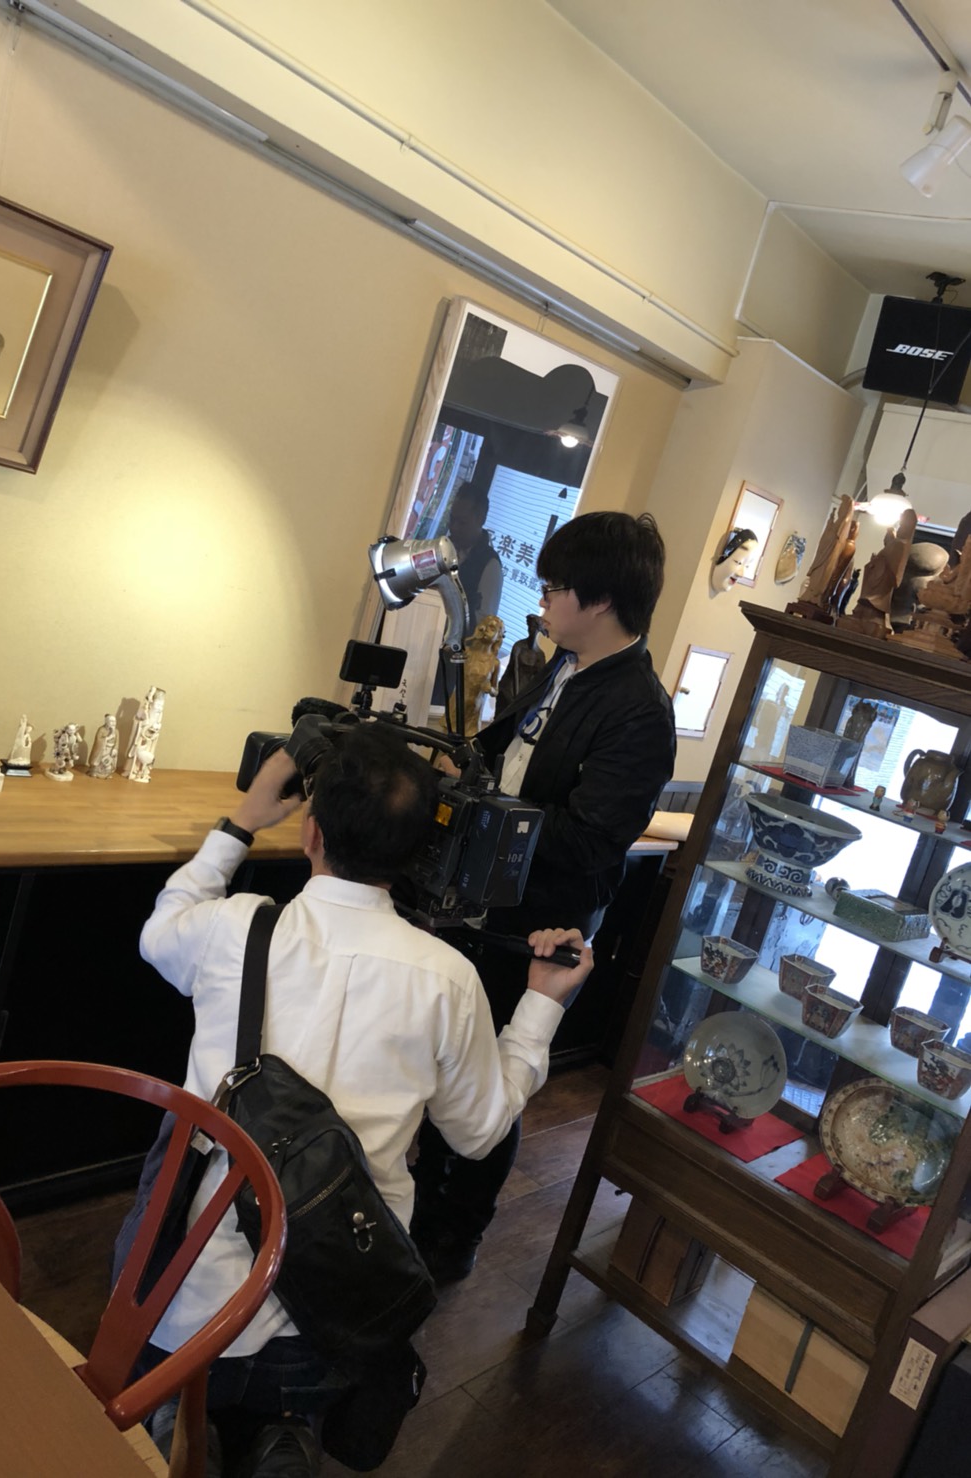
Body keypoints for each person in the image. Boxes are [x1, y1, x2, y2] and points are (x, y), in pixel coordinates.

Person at [132, 726, 592, 1478]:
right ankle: (286, 1428)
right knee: (296, 1403)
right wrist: (541, 1004)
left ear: (311, 833)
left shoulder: (234, 928)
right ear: (421, 851)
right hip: (331, 1315)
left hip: (183, 1306)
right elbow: (479, 1135)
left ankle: (178, 1425)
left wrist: (242, 821)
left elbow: (160, 931)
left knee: (175, 1401)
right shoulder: (447, 979)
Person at [411, 510, 676, 1284]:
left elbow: (591, 841)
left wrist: (480, 810)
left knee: (492, 1082)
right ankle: (420, 1209)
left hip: (539, 928)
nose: (545, 599)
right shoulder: (563, 666)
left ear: (601, 599)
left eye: (557, 587)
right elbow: (503, 756)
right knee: (448, 1065)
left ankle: (454, 1235)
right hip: (487, 905)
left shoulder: (640, 711)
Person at [447, 482, 503, 638]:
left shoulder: (490, 565)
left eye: (462, 522)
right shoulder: (443, 547)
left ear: (481, 519)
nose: (454, 527)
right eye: (452, 519)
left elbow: (483, 627)